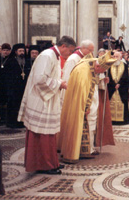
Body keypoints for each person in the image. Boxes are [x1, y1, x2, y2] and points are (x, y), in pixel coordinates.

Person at [18, 36, 76, 174]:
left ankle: (51, 162)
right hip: (41, 100)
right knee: (42, 135)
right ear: (63, 46)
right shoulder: (47, 56)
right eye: (70, 50)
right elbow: (40, 79)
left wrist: (59, 82)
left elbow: (51, 76)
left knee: (49, 134)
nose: (70, 54)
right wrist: (59, 84)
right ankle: (45, 165)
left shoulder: (54, 56)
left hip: (48, 98)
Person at [59, 50, 116, 163]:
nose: (100, 72)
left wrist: (102, 80)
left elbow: (94, 82)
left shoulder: (93, 67)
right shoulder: (83, 70)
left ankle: (89, 148)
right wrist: (85, 107)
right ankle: (83, 150)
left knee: (92, 125)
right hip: (85, 104)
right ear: (98, 65)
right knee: (86, 125)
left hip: (93, 103)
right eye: (101, 71)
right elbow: (82, 89)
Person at [4, 43, 31, 128]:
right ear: (15, 52)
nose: (22, 52)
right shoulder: (10, 61)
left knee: (22, 105)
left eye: (23, 51)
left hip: (23, 88)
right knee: (13, 105)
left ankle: (21, 122)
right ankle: (12, 123)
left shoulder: (27, 61)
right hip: (13, 88)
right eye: (20, 51)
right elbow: (7, 76)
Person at [108, 51, 129, 125]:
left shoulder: (124, 65)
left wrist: (119, 84)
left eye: (116, 56)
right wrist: (114, 84)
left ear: (120, 57)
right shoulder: (110, 65)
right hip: (112, 88)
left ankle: (123, 120)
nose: (115, 58)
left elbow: (126, 77)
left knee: (122, 103)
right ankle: (112, 120)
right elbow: (109, 77)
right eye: (114, 56)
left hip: (122, 88)